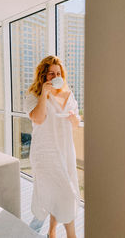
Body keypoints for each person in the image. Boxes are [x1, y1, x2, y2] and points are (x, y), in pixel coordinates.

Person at [24, 55, 80, 238]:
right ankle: (72, 235)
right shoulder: (33, 95)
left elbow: (75, 122)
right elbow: (38, 118)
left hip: (65, 150)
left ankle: (51, 231)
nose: (55, 76)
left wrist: (74, 119)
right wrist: (44, 95)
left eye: (58, 73)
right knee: (65, 194)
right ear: (43, 75)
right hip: (45, 152)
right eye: (51, 74)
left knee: (59, 193)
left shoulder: (67, 94)